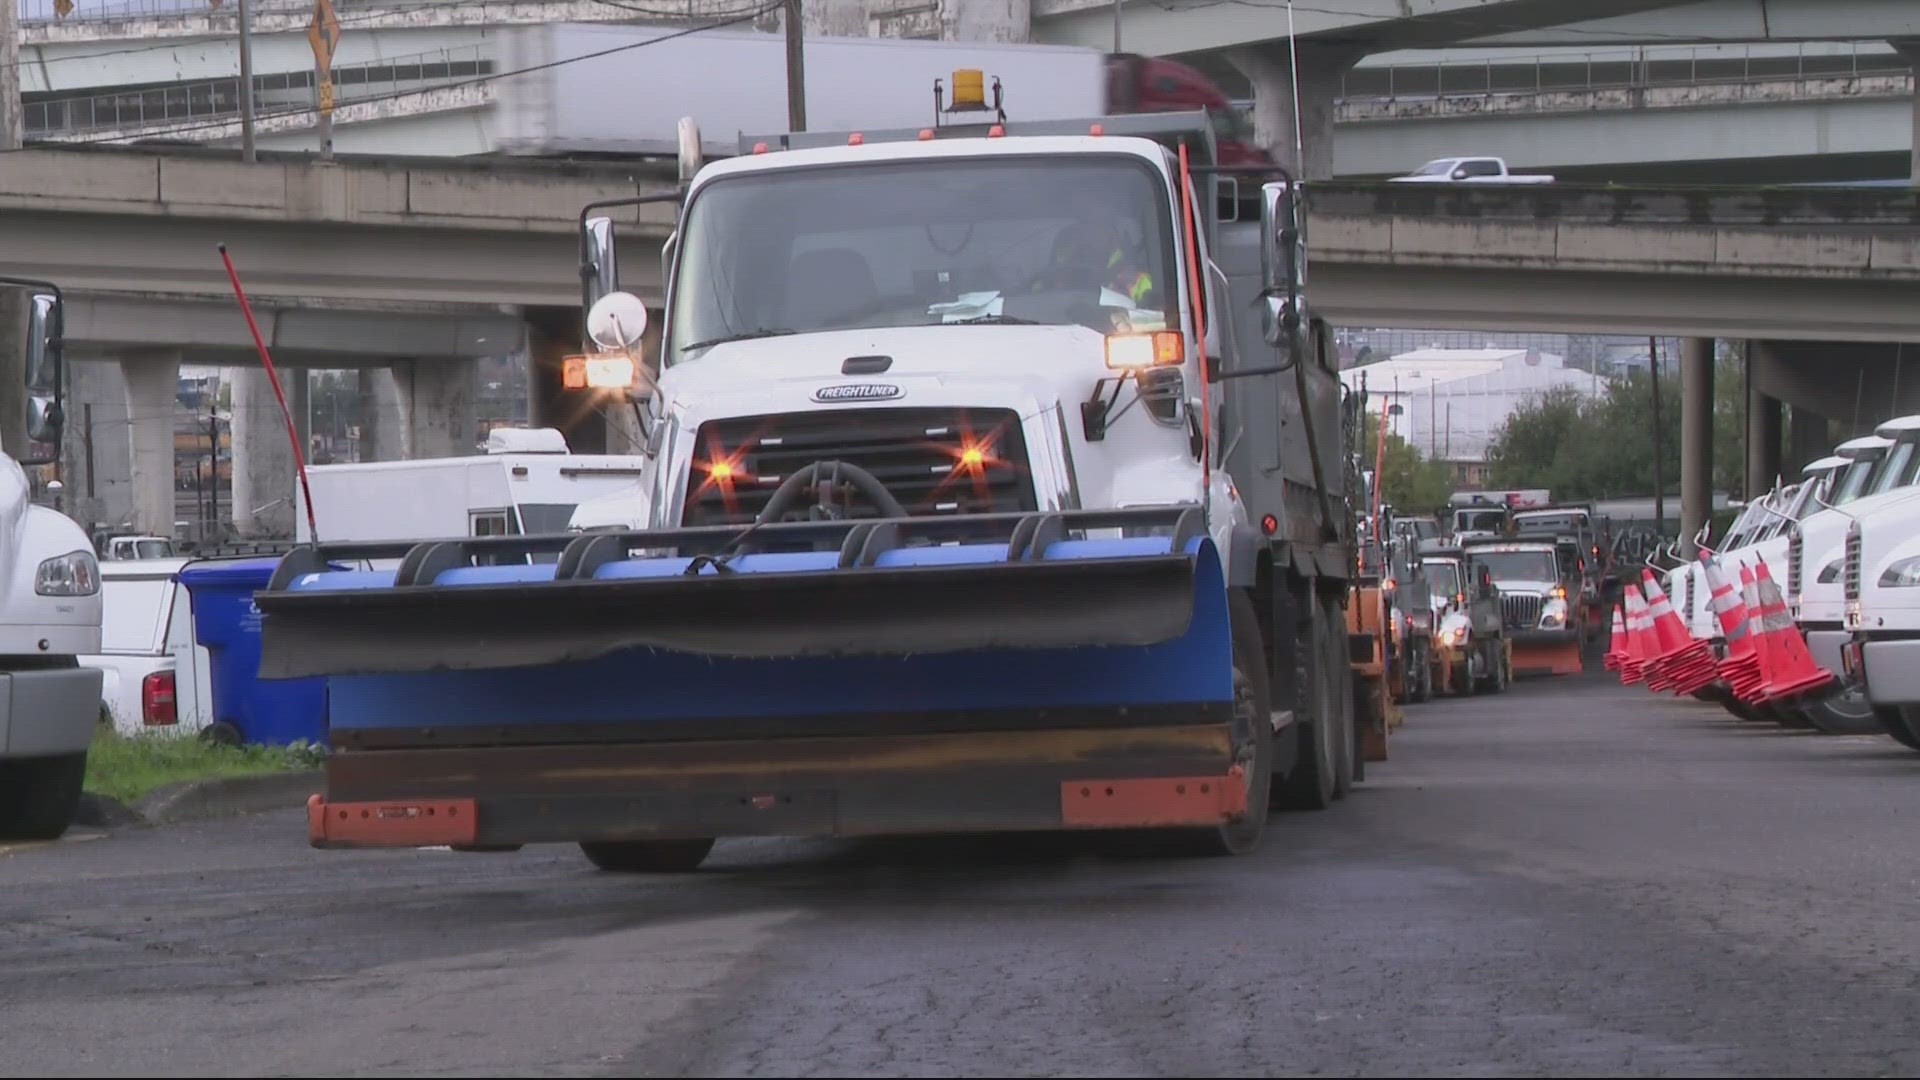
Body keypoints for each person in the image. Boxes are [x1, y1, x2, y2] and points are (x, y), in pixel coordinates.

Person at [1038, 218, 1154, 309]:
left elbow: (1151, 319)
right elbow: (1033, 308)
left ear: (1112, 237)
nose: (1089, 238)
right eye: (1082, 233)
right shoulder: (1048, 280)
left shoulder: (1137, 280)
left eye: (1098, 231)